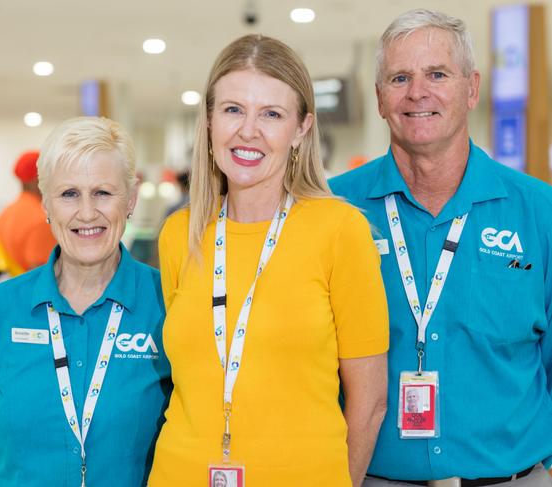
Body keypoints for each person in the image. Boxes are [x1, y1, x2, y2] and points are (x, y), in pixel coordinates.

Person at [149, 34, 389, 487]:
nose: (248, 131)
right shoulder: (180, 234)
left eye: (272, 115)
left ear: (301, 129)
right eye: (233, 109)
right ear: (209, 121)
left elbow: (371, 400)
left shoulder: (340, 231)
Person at [329, 9, 552, 486]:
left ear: (471, 89)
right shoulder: (333, 209)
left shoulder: (539, 211)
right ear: (380, 99)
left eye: (437, 74)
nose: (417, 92)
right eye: (399, 77)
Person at [0, 117, 172, 486]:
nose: (87, 212)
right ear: (46, 204)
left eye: (103, 192)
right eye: (69, 194)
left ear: (132, 199)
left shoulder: (166, 302)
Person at [0, 150, 56, 295]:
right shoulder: (40, 219)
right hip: (27, 305)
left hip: (4, 299)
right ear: (37, 178)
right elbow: (42, 276)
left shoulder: (2, 216)